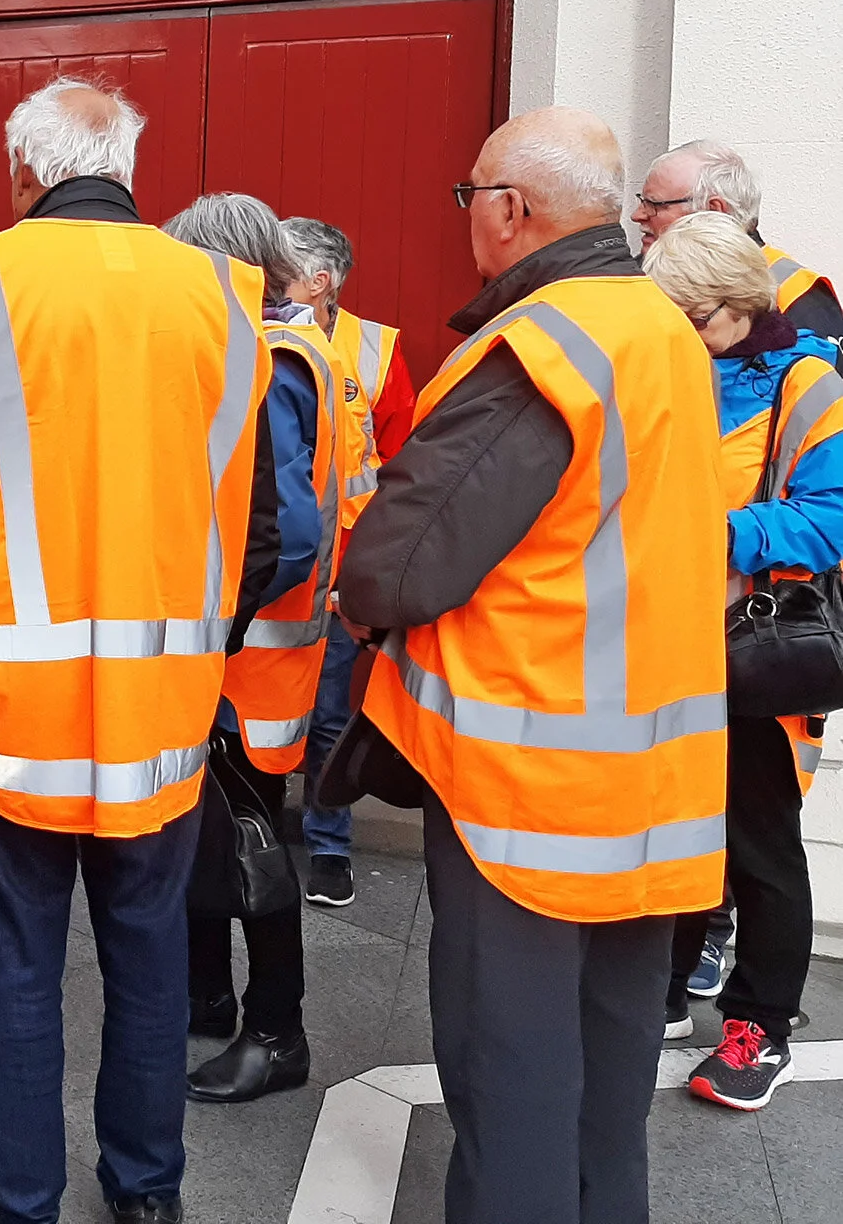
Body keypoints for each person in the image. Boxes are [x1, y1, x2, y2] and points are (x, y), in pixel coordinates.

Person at [0, 78, 282, 1224]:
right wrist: (205, 648)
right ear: (131, 170)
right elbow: (262, 528)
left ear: (21, 172)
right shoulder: (227, 293)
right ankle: (148, 1195)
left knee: (17, 963)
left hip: (13, 710)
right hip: (165, 705)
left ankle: (16, 1202)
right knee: (150, 960)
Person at [337, 106, 728, 1224]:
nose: (468, 218)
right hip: (652, 781)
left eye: (471, 197)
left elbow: (400, 567)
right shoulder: (659, 328)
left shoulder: (538, 347)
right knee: (608, 1085)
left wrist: (360, 571)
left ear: (510, 212)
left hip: (526, 787)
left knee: (511, 1084)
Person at [643, 213, 840, 1111]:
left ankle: (758, 1026)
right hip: (659, 644)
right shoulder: (670, 365)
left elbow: (831, 515)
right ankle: (669, 986)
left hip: (750, 650)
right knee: (672, 826)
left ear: (730, 307)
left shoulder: (808, 383)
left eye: (685, 316)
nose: (673, 332)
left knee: (758, 846)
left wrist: (724, 533)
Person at [164, 195, 330, 1106]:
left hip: (246, 664)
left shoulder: (263, 364)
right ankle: (206, 993)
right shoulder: (306, 353)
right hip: (270, 657)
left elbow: (287, 533)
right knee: (222, 835)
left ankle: (276, 1030)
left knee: (254, 851)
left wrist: (209, 621)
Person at [282, 216, 417, 911]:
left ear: (319, 281)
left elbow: (401, 462)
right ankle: (255, 830)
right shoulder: (250, 333)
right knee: (247, 705)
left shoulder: (376, 350)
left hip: (341, 565)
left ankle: (328, 846)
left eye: (281, 267)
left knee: (332, 711)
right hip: (269, 559)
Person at [631, 138, 843, 336]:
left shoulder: (795, 294)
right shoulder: (638, 275)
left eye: (654, 205)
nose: (637, 215)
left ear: (713, 210)